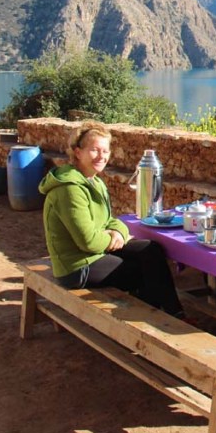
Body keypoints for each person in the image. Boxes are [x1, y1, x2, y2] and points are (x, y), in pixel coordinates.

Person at [39, 121, 184, 317]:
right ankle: (153, 319)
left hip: (96, 253)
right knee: (142, 271)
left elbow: (111, 220)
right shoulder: (69, 188)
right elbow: (88, 241)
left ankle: (172, 313)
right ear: (77, 152)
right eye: (94, 150)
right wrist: (113, 240)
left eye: (105, 151)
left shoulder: (95, 181)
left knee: (150, 250)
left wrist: (117, 233)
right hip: (77, 266)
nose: (102, 156)